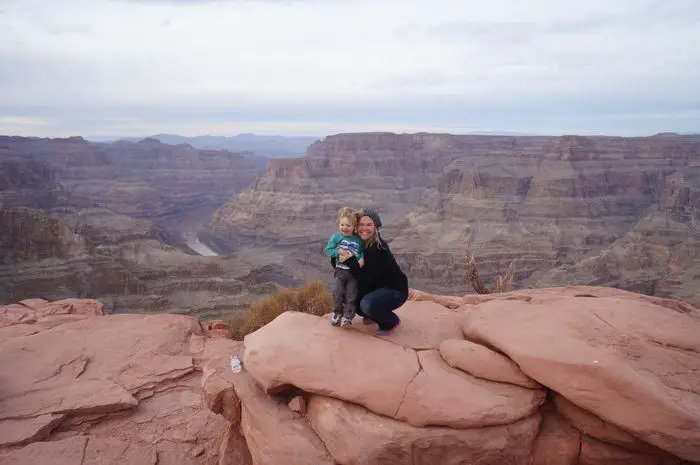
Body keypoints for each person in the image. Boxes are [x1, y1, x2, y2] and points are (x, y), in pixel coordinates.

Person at [336, 208, 408, 334]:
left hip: (395, 291)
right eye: (361, 225)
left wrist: (349, 260)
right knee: (354, 303)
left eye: (369, 225)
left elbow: (368, 278)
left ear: (376, 227)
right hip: (376, 287)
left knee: (367, 305)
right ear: (355, 227)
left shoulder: (378, 249)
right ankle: (373, 313)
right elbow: (338, 264)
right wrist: (338, 257)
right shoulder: (356, 244)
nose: (364, 229)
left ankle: (390, 321)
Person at [324, 207, 365, 327]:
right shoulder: (336, 237)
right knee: (338, 293)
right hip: (340, 271)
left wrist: (361, 258)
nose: (344, 228)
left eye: (348, 225)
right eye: (342, 224)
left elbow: (361, 251)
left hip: (353, 273)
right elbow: (328, 250)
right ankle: (337, 314)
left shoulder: (358, 240)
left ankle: (348, 317)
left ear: (354, 227)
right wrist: (338, 253)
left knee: (351, 295)